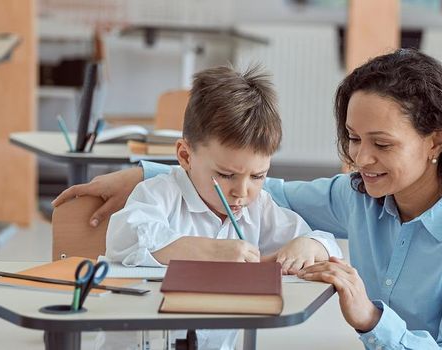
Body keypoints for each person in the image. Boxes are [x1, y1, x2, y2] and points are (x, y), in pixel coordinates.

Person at [54, 49, 442, 349]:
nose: (359, 159)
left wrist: (369, 318)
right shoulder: (361, 195)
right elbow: (264, 190)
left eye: (381, 144)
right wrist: (146, 172)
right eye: (352, 137)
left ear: (435, 142)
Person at [103, 66, 341, 350]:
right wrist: (212, 252)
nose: (241, 192)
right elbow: (125, 237)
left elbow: (329, 247)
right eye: (226, 175)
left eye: (257, 176)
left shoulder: (258, 206)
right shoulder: (162, 193)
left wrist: (309, 244)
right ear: (185, 155)